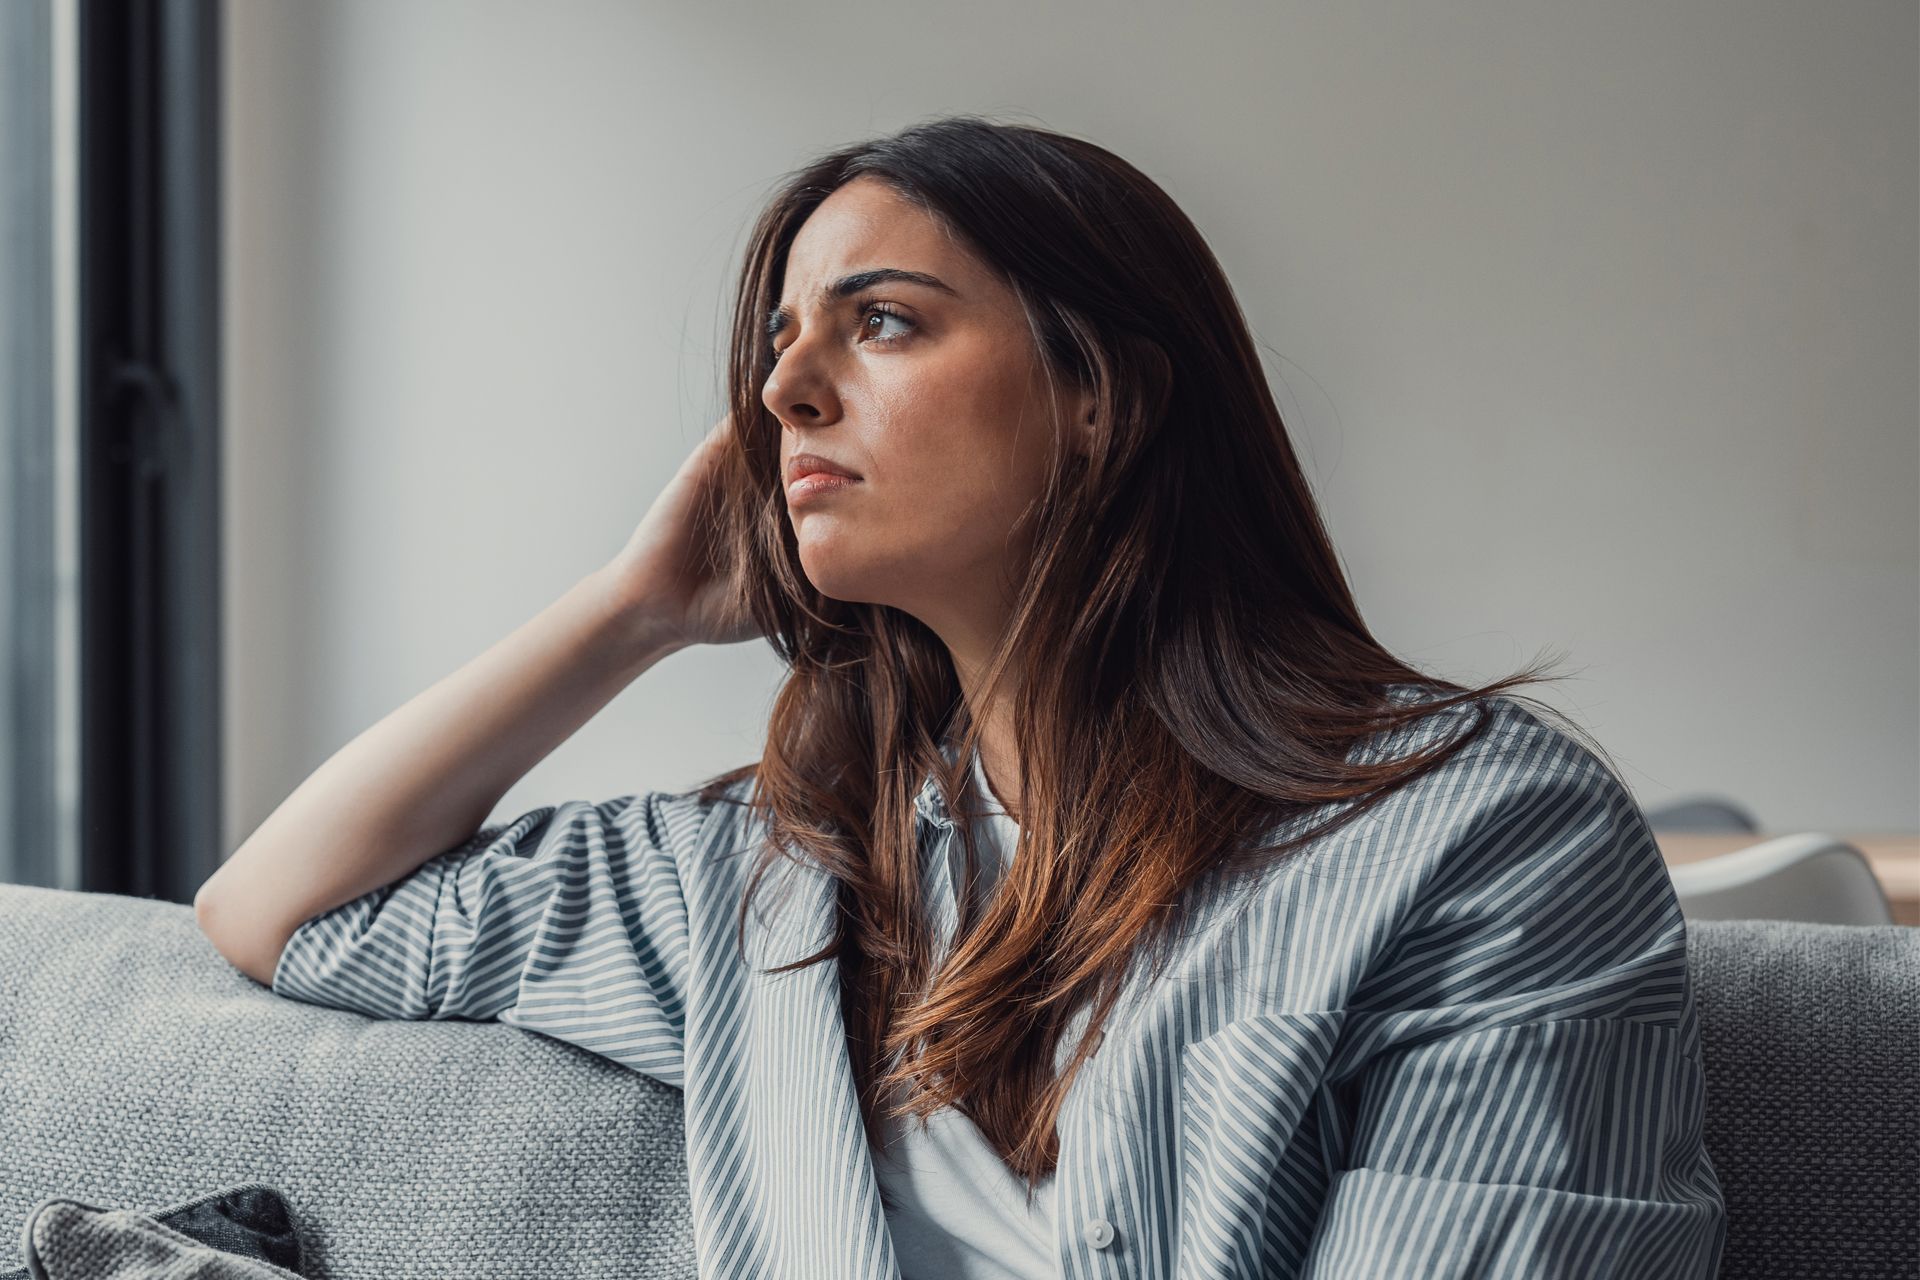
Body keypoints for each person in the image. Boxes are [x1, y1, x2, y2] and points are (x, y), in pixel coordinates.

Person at [195, 114, 1728, 1279]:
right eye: (782, 342)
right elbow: (284, 907)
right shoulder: (775, 883)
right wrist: (630, 614)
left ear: (1098, 396)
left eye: (882, 322)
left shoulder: (1479, 839)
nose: (786, 392)